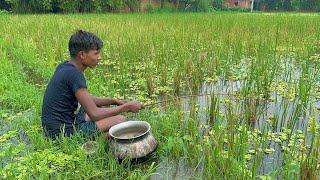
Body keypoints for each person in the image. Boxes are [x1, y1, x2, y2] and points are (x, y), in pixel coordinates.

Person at [41, 30, 143, 139]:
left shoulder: (65, 67)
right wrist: (126, 107)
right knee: (120, 120)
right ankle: (96, 140)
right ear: (82, 55)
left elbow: (88, 99)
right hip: (63, 133)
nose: (99, 57)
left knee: (102, 107)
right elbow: (95, 114)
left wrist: (115, 101)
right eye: (96, 53)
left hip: (55, 126)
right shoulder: (74, 75)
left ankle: (96, 135)